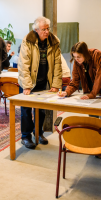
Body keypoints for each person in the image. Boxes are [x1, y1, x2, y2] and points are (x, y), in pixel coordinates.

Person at [18, 16, 62, 149]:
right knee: (26, 111)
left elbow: (57, 65)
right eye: (43, 29)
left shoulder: (54, 42)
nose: (47, 32)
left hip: (43, 82)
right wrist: (26, 85)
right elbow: (23, 64)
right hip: (29, 83)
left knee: (41, 111)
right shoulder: (28, 41)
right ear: (36, 30)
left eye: (48, 29)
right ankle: (25, 136)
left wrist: (55, 84)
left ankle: (38, 133)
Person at [59, 42, 101, 132]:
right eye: (74, 57)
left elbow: (100, 76)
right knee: (93, 120)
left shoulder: (97, 55)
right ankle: (93, 141)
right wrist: (67, 92)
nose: (76, 59)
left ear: (85, 53)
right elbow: (75, 80)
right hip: (90, 93)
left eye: (79, 57)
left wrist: (92, 94)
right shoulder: (77, 62)